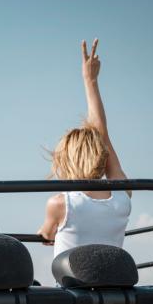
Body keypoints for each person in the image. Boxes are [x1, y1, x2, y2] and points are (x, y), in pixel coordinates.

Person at [38, 39, 131, 257]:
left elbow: (47, 236)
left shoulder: (60, 204)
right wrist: (91, 81)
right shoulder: (123, 195)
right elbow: (102, 135)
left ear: (65, 161)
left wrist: (44, 231)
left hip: (72, 288)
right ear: (100, 154)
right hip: (113, 284)